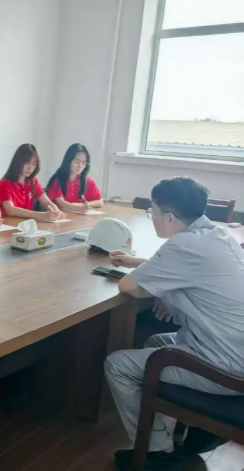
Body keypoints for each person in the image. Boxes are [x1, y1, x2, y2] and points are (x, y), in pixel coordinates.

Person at [104, 177, 244, 471]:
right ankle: (198, 430)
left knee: (117, 365)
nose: (152, 217)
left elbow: (129, 287)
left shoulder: (183, 245)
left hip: (228, 368)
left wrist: (158, 287)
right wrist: (142, 266)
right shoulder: (216, 235)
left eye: (152, 211)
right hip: (233, 351)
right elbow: (189, 269)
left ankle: (157, 453)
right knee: (156, 343)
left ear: (169, 217)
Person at [0, 143, 65, 220]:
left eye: (34, 164)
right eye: (27, 163)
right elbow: (10, 210)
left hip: (27, 224)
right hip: (9, 224)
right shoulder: (5, 183)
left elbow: (47, 202)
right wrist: (42, 215)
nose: (30, 168)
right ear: (18, 162)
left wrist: (57, 212)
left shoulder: (33, 182)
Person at [46, 143, 103, 213]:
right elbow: (61, 203)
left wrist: (85, 205)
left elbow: (100, 202)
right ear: (68, 161)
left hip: (78, 217)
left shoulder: (88, 182)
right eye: (77, 162)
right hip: (59, 217)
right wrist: (78, 207)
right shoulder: (57, 180)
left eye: (84, 163)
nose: (80, 166)